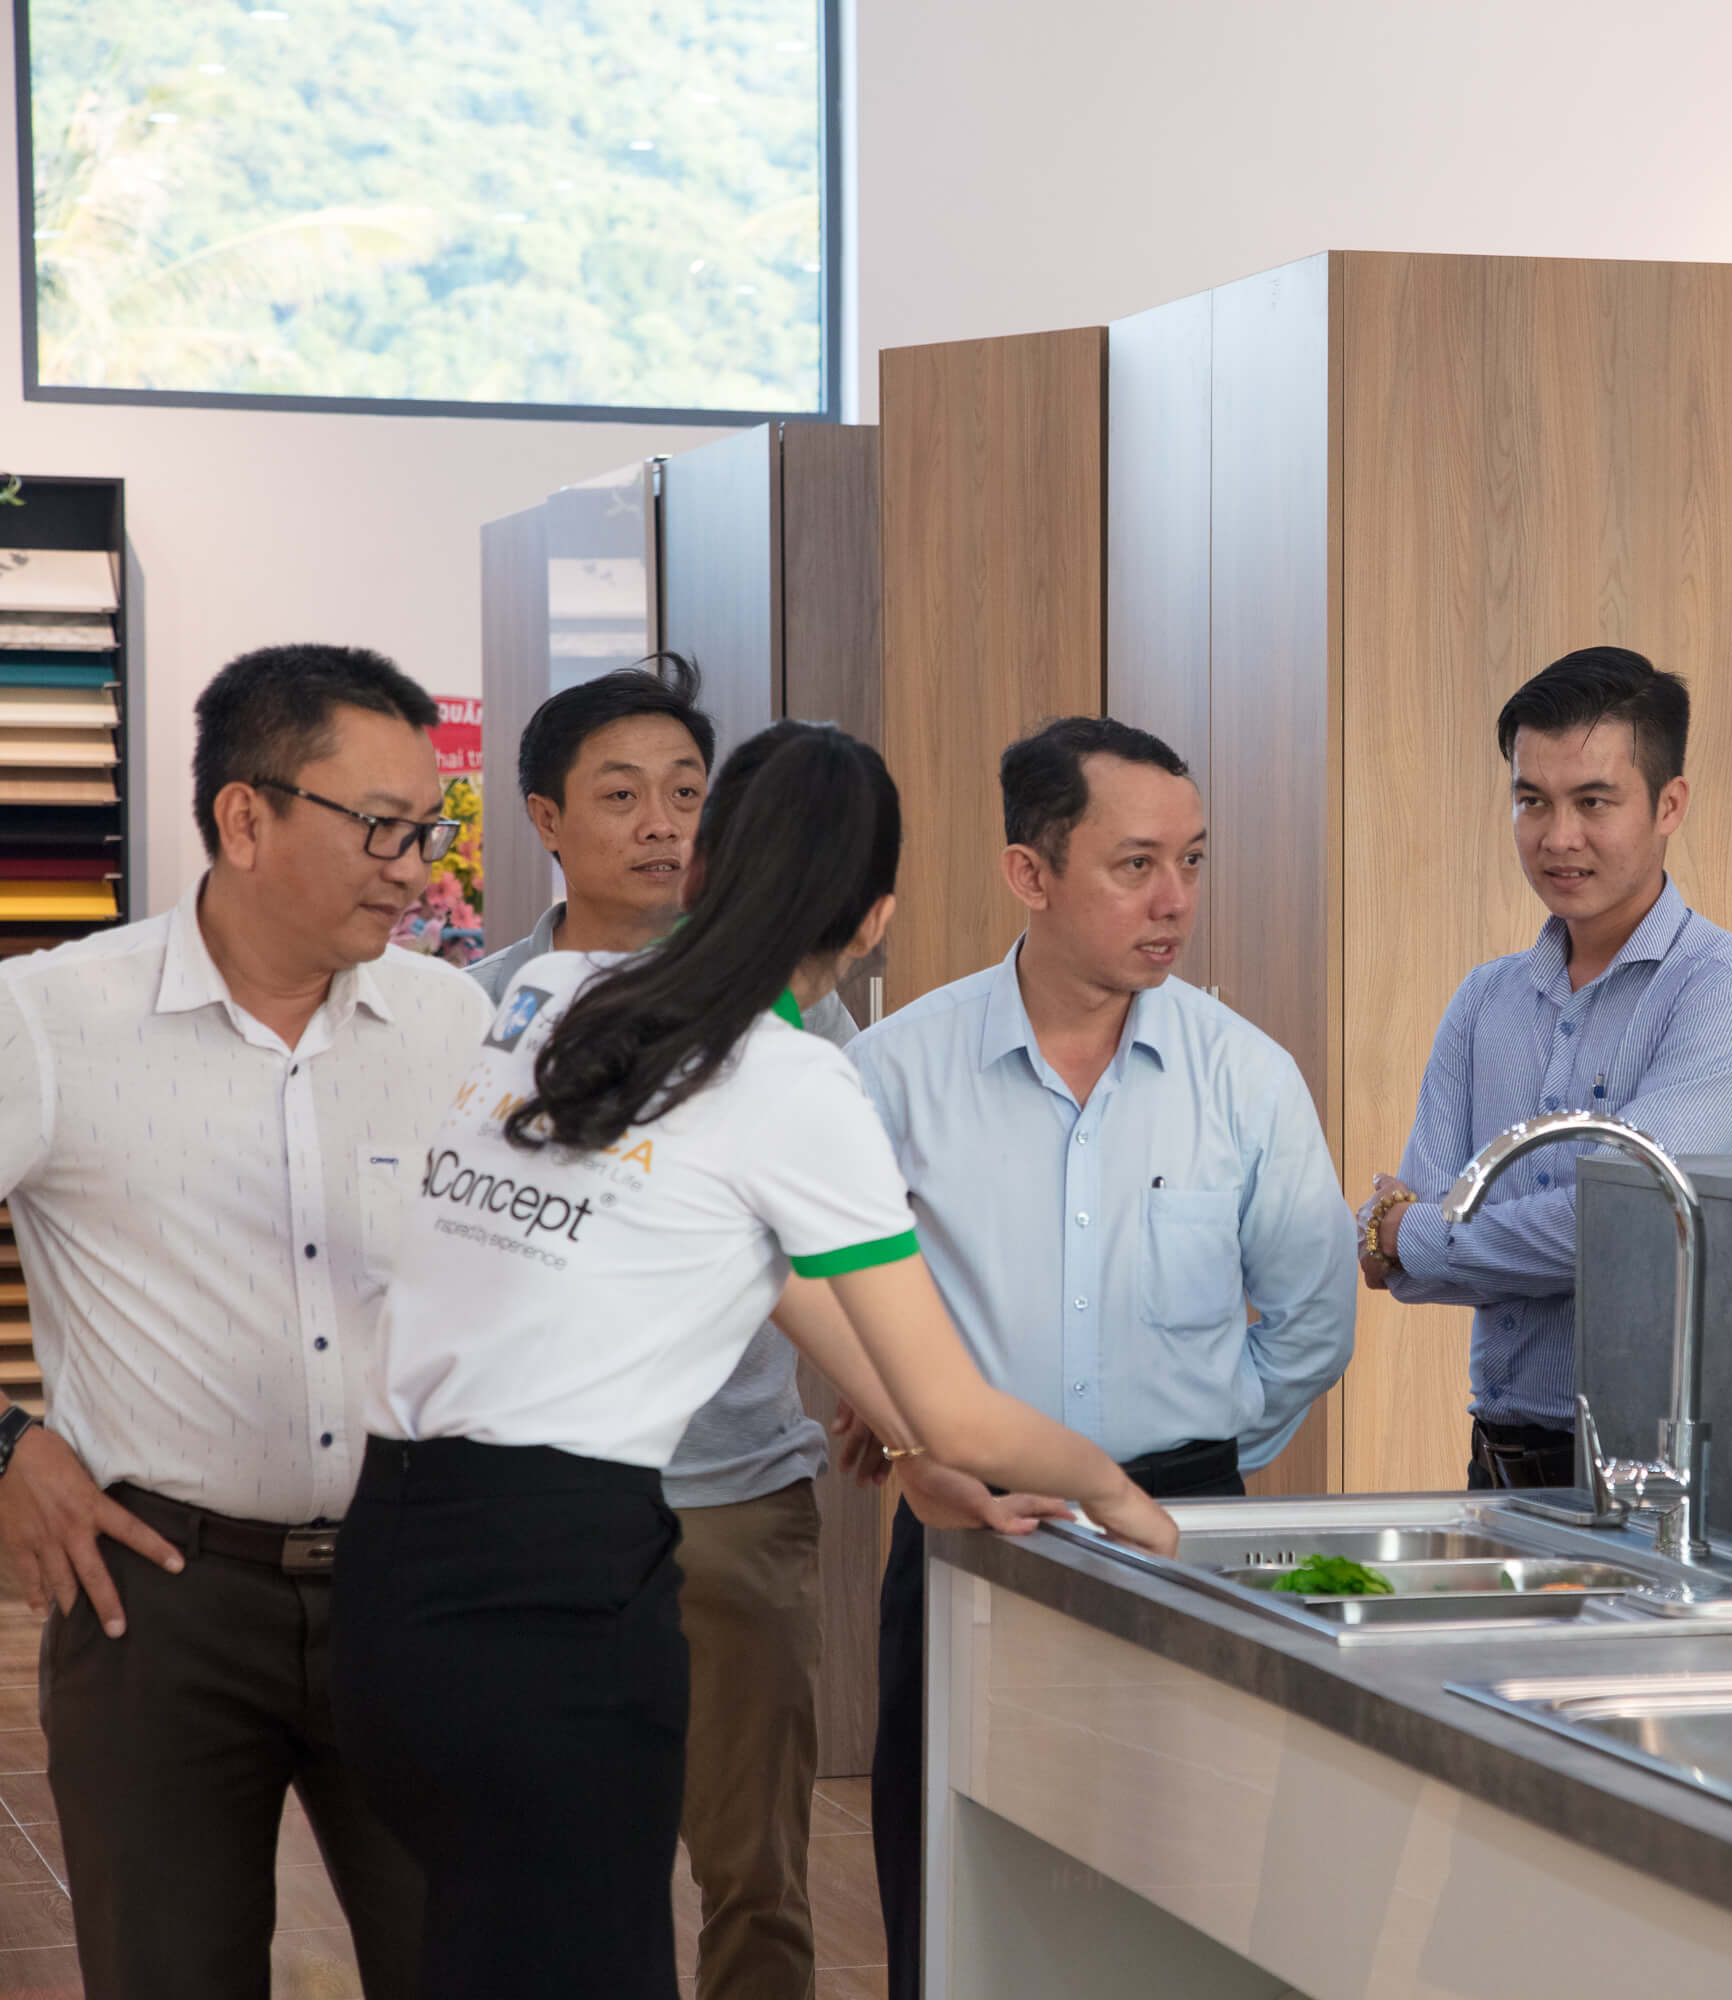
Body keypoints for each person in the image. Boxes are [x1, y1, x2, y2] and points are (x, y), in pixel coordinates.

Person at [334, 721, 1176, 1999]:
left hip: (395, 1554)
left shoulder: (552, 991)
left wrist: (910, 1447)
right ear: (876, 915)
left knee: (481, 1947)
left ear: (703, 864)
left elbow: (752, 1261)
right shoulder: (792, 1079)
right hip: (558, 1581)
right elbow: (961, 1403)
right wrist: (1117, 1492)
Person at [0, 643, 490, 1997]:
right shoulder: (49, 1018)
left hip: (414, 1585)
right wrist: (7, 1444)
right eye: (380, 826)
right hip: (159, 1598)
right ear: (245, 816)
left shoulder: (452, 1022)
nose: (413, 866)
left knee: (462, 1957)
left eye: (427, 830)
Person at [844, 716, 1356, 1998]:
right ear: (1030, 872)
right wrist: (909, 1436)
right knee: (953, 1901)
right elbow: (831, 1306)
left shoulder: (1246, 1077)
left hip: (1180, 1529)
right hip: (970, 1528)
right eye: (1135, 864)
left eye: (1193, 859)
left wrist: (1197, 1446)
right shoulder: (895, 1072)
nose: (1174, 899)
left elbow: (1312, 1320)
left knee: (1184, 1908)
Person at [471, 659, 851, 2000]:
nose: (663, 825)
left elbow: (841, 1240)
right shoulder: (482, 1011)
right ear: (545, 817)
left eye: (688, 794)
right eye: (622, 794)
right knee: (562, 1862)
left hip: (737, 1491)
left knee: (758, 1866)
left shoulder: (793, 1009)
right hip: (543, 1503)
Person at [1360, 647, 1732, 1490]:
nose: (1558, 837)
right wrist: (1426, 1241)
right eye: (1532, 801)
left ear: (1669, 804)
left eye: (1594, 802)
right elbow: (1408, 1273)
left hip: (1659, 1475)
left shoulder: (1730, 992)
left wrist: (1407, 1232)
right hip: (1496, 1461)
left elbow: (1616, 1227)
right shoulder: (1484, 1000)